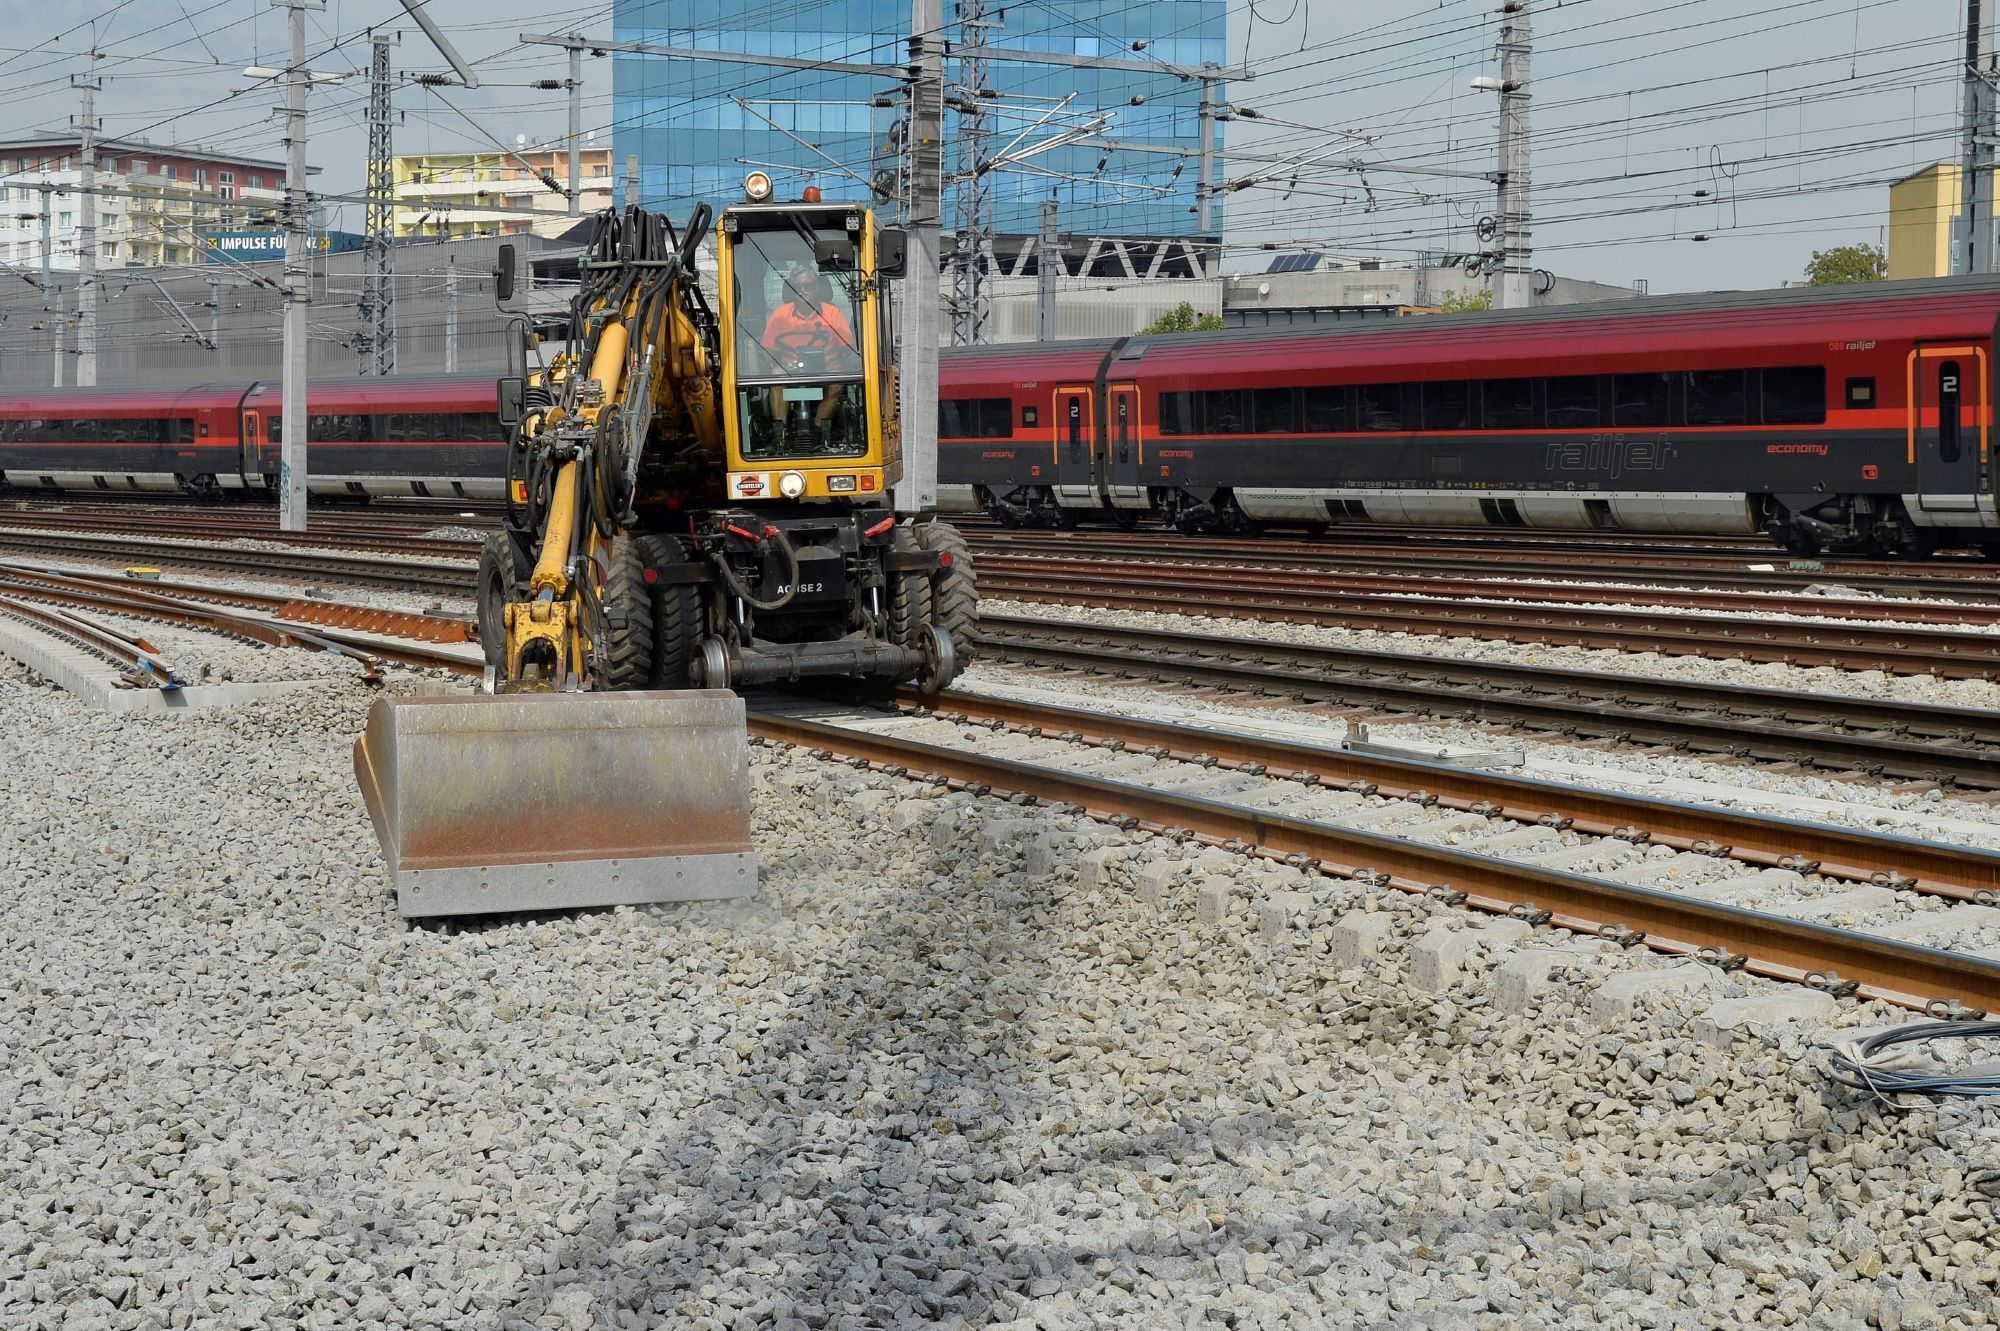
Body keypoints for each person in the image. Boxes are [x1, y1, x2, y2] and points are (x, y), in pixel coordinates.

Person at [758, 265, 858, 432]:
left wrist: (849, 366)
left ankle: (819, 430)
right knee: (775, 377)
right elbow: (767, 351)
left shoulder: (832, 313)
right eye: (798, 286)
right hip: (790, 371)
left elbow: (848, 349)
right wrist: (764, 366)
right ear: (791, 289)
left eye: (809, 285)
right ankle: (780, 433)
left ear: (817, 288)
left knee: (837, 382)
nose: (803, 290)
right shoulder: (780, 315)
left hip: (826, 369)